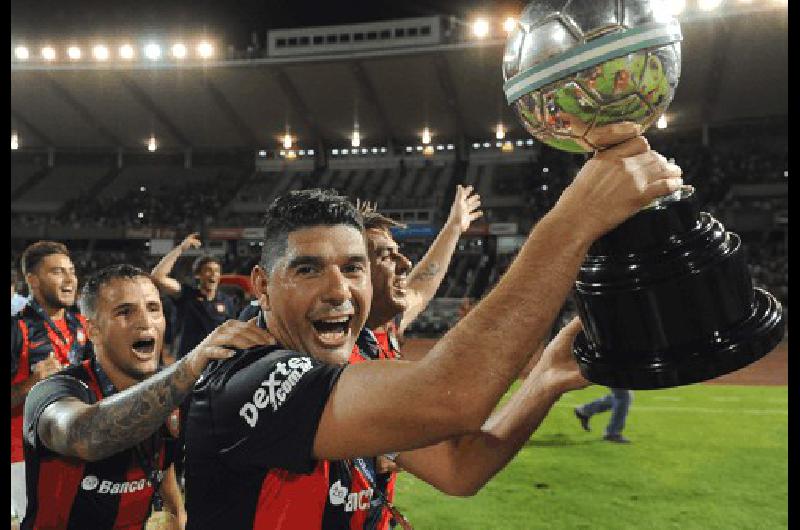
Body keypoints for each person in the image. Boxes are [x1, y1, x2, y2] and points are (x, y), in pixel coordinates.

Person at [184, 137, 682, 528]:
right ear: (262, 287)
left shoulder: (354, 362)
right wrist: (573, 221)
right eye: (309, 269)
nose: (339, 291)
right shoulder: (246, 377)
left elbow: (460, 468)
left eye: (353, 268)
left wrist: (547, 378)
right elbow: (450, 398)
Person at [21, 264, 273, 529]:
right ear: (93, 329)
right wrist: (191, 364)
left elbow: (162, 466)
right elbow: (86, 437)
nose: (145, 322)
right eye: (125, 312)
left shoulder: (172, 393)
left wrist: (177, 513)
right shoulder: (56, 390)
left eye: (154, 308)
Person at [348, 186, 482, 527]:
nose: (404, 264)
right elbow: (457, 470)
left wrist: (453, 228)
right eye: (386, 256)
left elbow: (424, 283)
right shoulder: (322, 348)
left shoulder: (385, 327)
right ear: (352, 270)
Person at [11, 241, 93, 524]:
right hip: (24, 456)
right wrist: (33, 382)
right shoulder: (17, 328)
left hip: (74, 448)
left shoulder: (82, 325)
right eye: (58, 272)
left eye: (71, 271)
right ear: (32, 280)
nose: (70, 279)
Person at [151, 234, 238, 482]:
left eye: (216, 271)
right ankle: (173, 479)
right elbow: (157, 278)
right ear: (198, 275)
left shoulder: (227, 303)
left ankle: (211, 475)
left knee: (217, 428)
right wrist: (180, 248)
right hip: (188, 375)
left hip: (220, 377)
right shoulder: (186, 295)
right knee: (181, 430)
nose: (213, 275)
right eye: (208, 271)